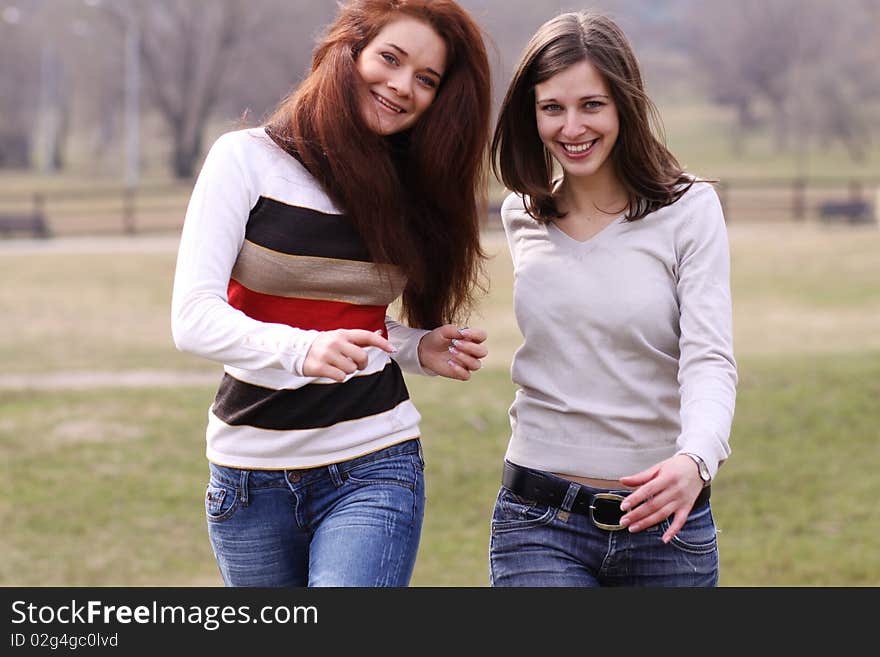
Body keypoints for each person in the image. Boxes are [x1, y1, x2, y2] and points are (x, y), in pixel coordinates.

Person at [171, 0, 491, 587]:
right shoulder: (246, 160)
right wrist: (301, 351)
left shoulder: (412, 190)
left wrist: (416, 347)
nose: (401, 87)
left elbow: (345, 318)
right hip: (250, 476)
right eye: (389, 59)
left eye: (426, 79)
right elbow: (193, 318)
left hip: (374, 461)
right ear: (349, 51)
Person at [488, 11, 737, 586]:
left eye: (591, 105)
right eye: (552, 107)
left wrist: (695, 458)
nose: (571, 127)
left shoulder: (689, 210)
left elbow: (709, 358)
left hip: (666, 526)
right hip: (537, 523)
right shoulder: (521, 214)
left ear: (625, 103)